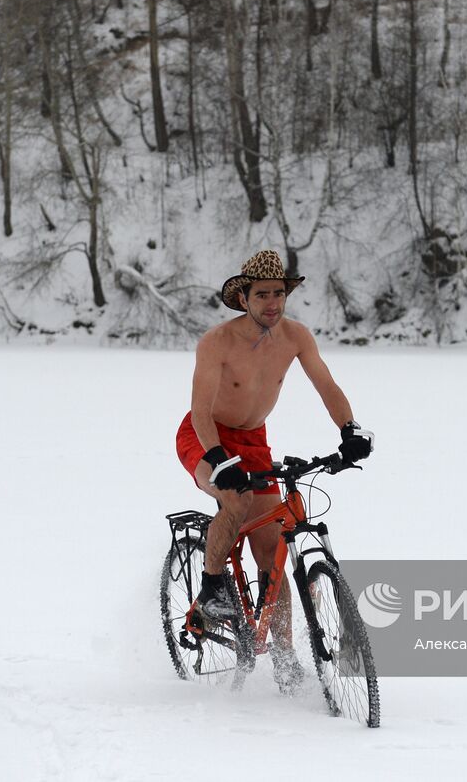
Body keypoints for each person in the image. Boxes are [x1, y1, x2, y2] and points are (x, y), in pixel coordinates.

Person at [175, 249, 374, 692]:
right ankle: (212, 590)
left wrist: (349, 429)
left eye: (279, 294)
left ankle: (285, 659)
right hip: (205, 435)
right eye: (262, 294)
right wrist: (219, 460)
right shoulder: (217, 342)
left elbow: (327, 384)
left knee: (271, 548)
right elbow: (200, 410)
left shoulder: (296, 337)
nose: (272, 303)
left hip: (253, 441)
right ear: (243, 297)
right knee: (236, 499)